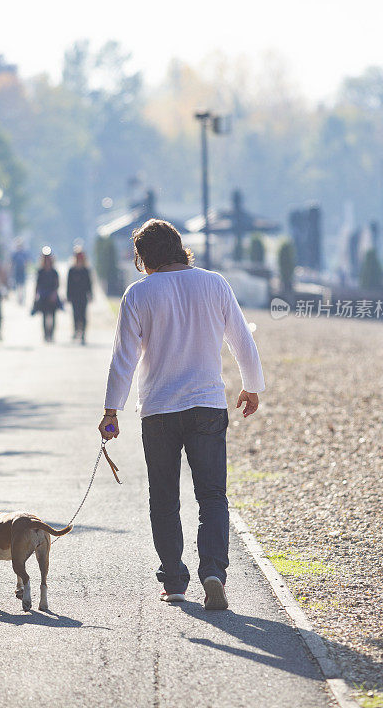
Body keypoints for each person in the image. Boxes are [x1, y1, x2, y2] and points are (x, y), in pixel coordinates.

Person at [99, 219, 265, 610]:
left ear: (143, 258)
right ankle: (213, 572)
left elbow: (124, 357)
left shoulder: (138, 295)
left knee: (164, 497)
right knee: (212, 496)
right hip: (207, 403)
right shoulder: (214, 283)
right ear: (178, 246)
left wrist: (111, 411)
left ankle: (173, 580)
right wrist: (251, 385)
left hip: (158, 409)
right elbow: (241, 337)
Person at [34, 246, 60, 342]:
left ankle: (51, 334)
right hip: (43, 297)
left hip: (52, 296)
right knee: (44, 316)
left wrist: (54, 294)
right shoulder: (40, 271)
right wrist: (36, 296)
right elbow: (37, 284)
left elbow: (57, 284)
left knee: (53, 316)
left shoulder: (54, 272)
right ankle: (45, 334)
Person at [67, 247, 93, 344]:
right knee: (75, 314)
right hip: (74, 296)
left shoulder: (86, 270)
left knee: (83, 315)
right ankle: (75, 330)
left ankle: (83, 333)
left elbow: (89, 283)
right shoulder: (72, 270)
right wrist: (68, 295)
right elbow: (69, 284)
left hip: (83, 296)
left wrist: (90, 294)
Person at [11, 238, 29, 304]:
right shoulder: (15, 254)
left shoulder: (24, 253)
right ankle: (19, 298)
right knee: (18, 285)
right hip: (17, 271)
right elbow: (12, 263)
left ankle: (22, 298)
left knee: (23, 286)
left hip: (23, 271)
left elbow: (27, 262)